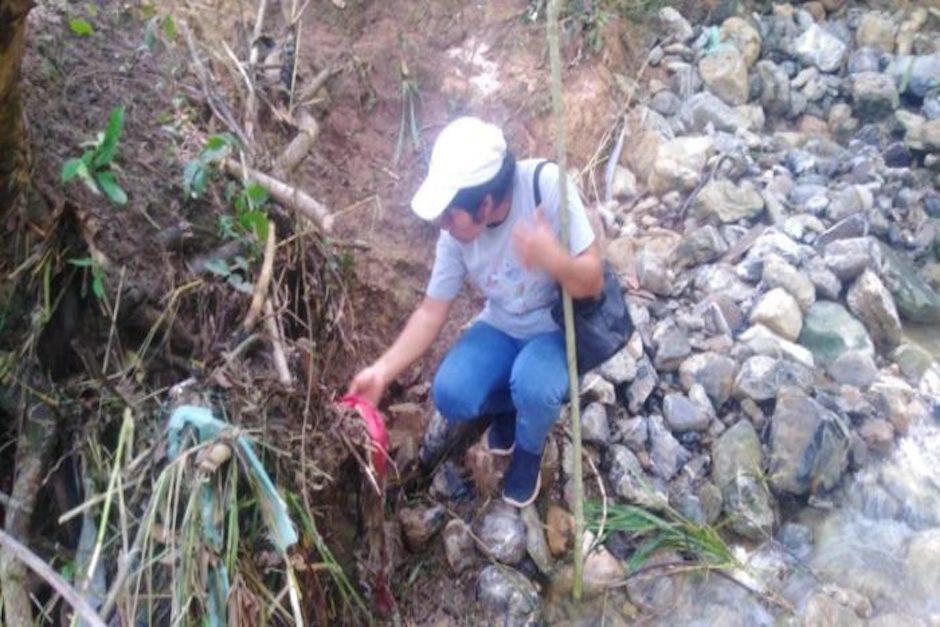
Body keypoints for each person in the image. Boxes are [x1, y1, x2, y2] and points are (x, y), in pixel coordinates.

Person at [347, 116, 603, 507]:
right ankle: (513, 407)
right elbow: (432, 310)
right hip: (502, 325)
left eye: (451, 216)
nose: (444, 226)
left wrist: (554, 260)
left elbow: (593, 282)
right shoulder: (455, 236)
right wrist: (382, 370)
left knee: (534, 384)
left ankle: (529, 450)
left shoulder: (545, 186)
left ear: (484, 204)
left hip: (555, 328)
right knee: (451, 393)